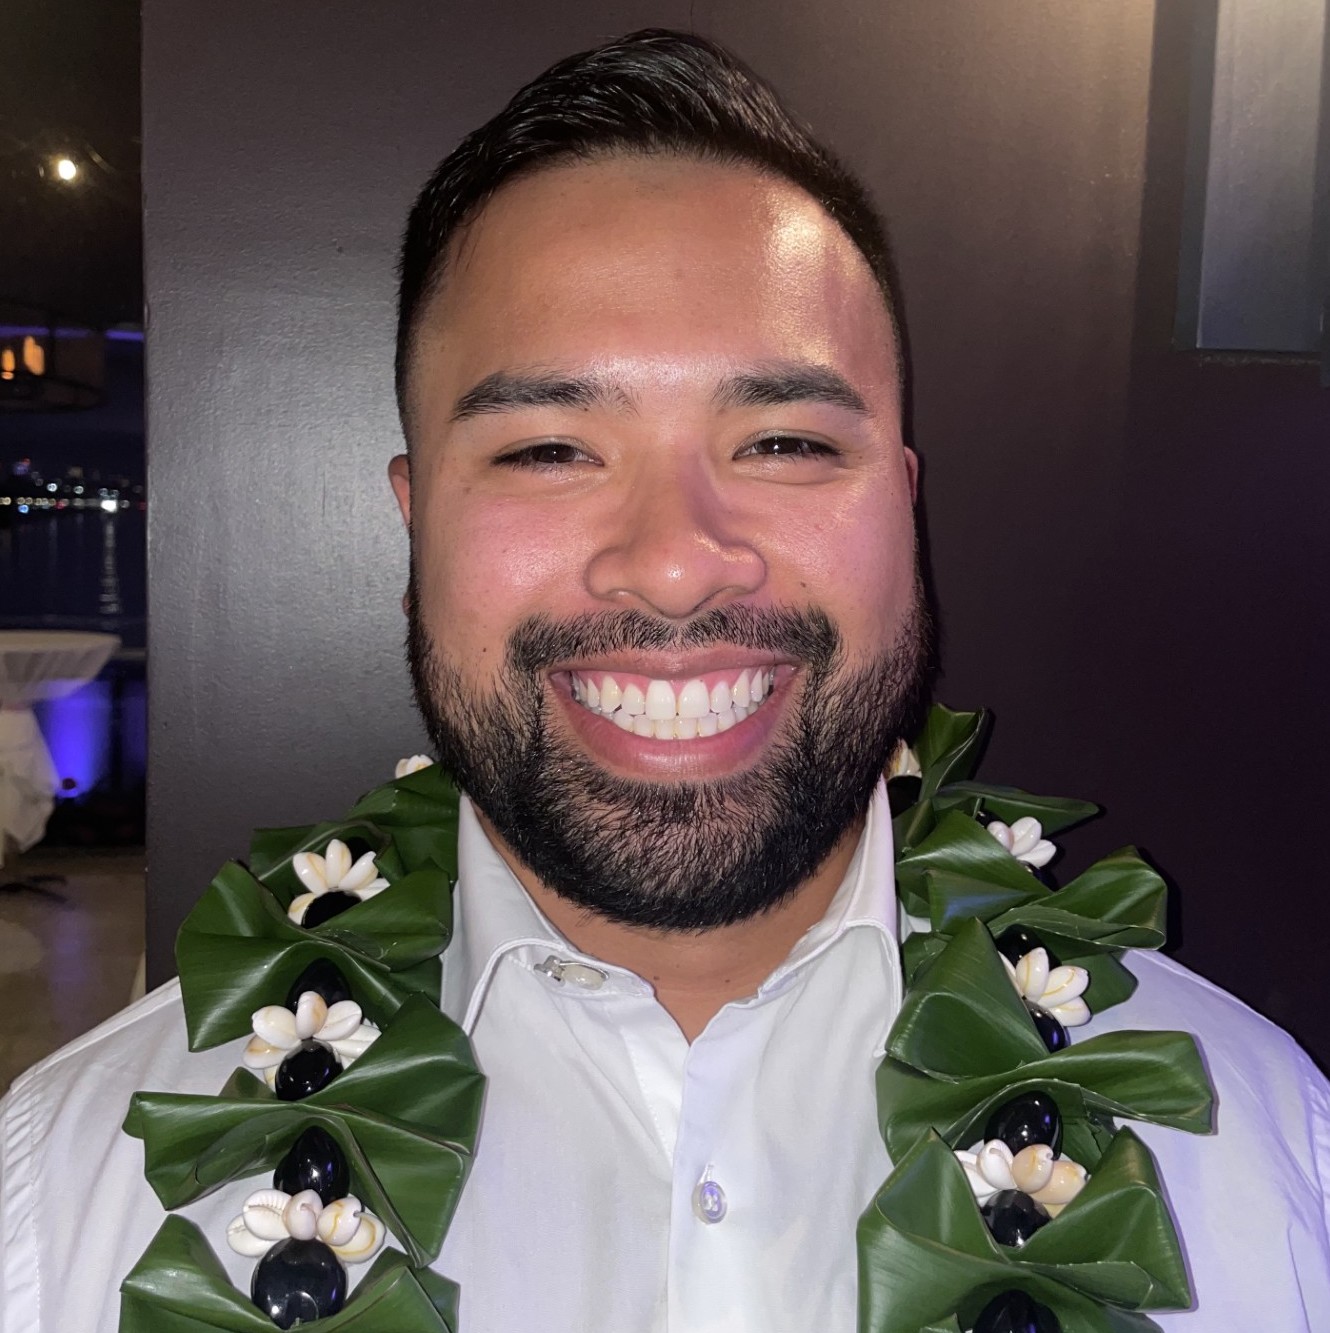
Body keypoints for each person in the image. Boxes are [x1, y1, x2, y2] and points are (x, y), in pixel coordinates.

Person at [1, 29, 1328, 1333]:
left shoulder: (1268, 1162)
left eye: (784, 439)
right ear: (416, 527)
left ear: (902, 510)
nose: (678, 565)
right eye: (547, 451)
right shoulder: (64, 1196)